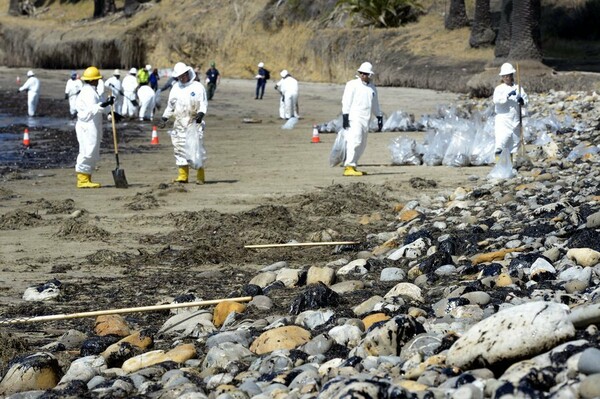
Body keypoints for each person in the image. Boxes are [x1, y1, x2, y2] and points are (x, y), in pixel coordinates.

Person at [159, 62, 208, 184]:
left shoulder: (197, 87)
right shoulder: (175, 88)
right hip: (179, 123)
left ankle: (200, 177)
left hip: (194, 123)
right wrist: (164, 118)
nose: (182, 78)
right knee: (179, 149)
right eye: (179, 76)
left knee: (195, 149)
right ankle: (182, 176)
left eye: (183, 75)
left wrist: (201, 113)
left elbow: (203, 103)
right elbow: (170, 106)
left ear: (188, 73)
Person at [340, 62, 383, 177]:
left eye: (366, 73)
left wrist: (379, 116)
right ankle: (348, 166)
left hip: (366, 119)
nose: (363, 75)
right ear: (359, 73)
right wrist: (345, 115)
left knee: (362, 143)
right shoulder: (352, 84)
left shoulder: (372, 88)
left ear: (370, 74)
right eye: (362, 73)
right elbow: (346, 100)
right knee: (355, 140)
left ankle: (353, 166)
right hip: (354, 117)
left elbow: (375, 104)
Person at [74, 66, 115, 188]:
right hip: (87, 126)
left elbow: (100, 104)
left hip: (92, 125)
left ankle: (87, 177)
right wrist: (106, 104)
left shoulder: (93, 91)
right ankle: (82, 180)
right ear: (92, 80)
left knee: (92, 150)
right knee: (87, 150)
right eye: (97, 79)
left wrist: (110, 111)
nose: (98, 81)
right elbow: (94, 108)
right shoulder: (88, 93)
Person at [493, 62, 528, 161]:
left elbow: (526, 100)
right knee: (501, 142)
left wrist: (522, 101)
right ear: (502, 77)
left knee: (514, 143)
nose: (507, 78)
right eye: (505, 76)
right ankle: (499, 164)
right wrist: (507, 96)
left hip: (515, 120)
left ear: (512, 75)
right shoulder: (499, 89)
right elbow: (496, 101)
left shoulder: (518, 88)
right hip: (503, 120)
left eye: (508, 75)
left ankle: (511, 165)